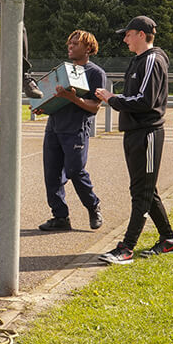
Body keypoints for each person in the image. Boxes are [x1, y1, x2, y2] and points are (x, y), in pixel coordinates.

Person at [95, 16, 173, 264]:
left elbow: (146, 101)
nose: (125, 39)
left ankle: (127, 248)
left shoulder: (153, 59)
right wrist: (114, 98)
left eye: (128, 34)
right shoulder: (138, 60)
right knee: (144, 190)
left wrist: (112, 99)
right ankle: (169, 241)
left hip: (148, 133)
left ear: (141, 34)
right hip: (134, 132)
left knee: (141, 193)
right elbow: (137, 95)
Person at [33, 30, 107, 232]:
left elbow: (94, 106)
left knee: (75, 171)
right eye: (69, 44)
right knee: (52, 175)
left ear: (88, 48)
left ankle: (93, 207)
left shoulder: (95, 73)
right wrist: (44, 107)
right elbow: (55, 99)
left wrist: (72, 98)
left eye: (75, 44)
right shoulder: (63, 72)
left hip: (76, 130)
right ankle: (60, 217)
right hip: (54, 128)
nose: (70, 47)